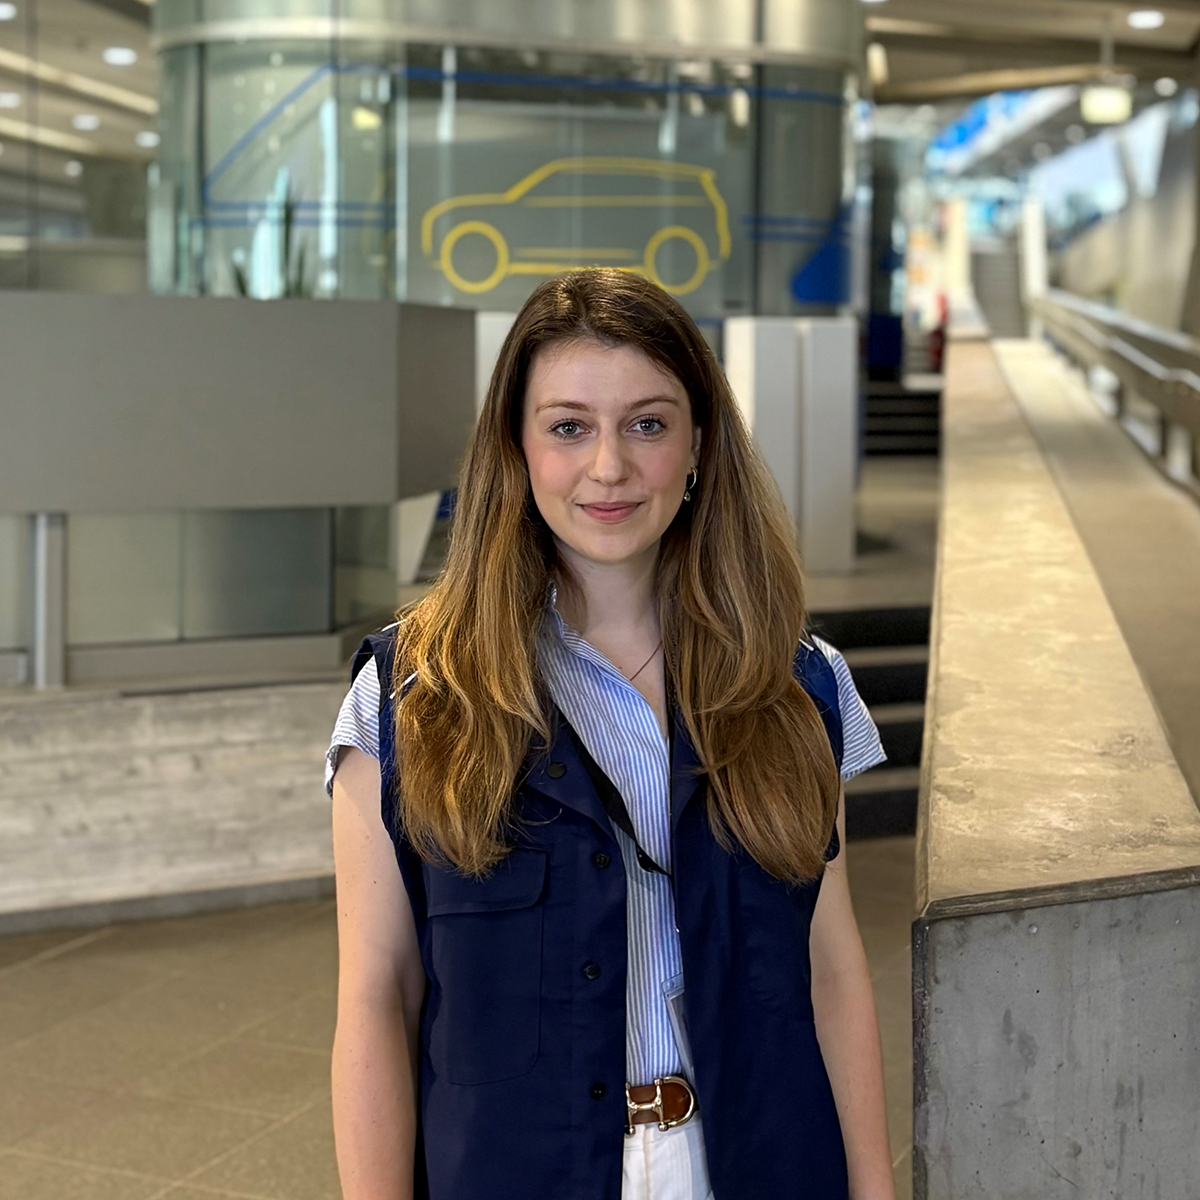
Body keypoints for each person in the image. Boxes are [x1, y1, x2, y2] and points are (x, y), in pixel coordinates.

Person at [326, 268, 896, 1200]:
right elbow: (376, 1001)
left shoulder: (800, 686)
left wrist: (874, 1189)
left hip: (756, 1162)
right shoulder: (410, 695)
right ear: (516, 446)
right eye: (568, 427)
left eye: (647, 423)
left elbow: (831, 971)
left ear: (699, 444)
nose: (608, 468)